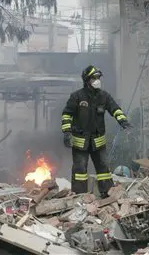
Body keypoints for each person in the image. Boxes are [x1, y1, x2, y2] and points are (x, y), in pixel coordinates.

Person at [61, 65, 130, 198]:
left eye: (98, 77)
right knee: (80, 170)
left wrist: (123, 121)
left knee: (103, 168)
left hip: (98, 141)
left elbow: (115, 109)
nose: (97, 80)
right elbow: (67, 115)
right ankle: (79, 196)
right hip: (80, 142)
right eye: (94, 78)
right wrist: (66, 132)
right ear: (87, 80)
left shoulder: (104, 96)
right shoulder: (77, 96)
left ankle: (107, 193)